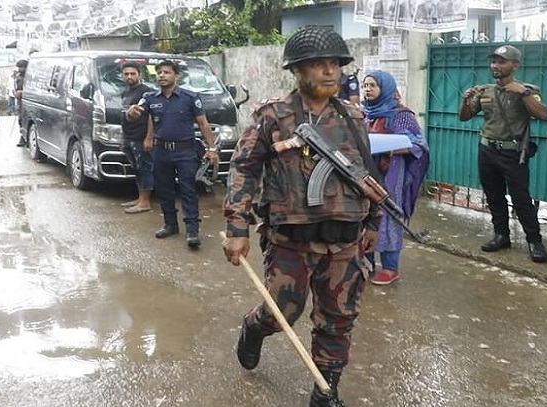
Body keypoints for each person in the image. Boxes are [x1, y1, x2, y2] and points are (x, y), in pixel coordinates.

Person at [222, 27, 381, 407]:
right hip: (291, 239)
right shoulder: (274, 115)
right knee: (283, 313)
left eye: (334, 65)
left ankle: (326, 389)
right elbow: (244, 168)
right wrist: (237, 227)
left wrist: (373, 221)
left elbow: (367, 173)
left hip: (344, 237)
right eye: (318, 65)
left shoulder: (354, 117)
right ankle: (254, 328)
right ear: (297, 70)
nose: (329, 72)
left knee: (338, 317)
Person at [459, 45, 547, 263]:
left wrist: (524, 93)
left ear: (515, 65)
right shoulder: (484, 91)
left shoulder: (529, 89)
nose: (496, 66)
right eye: (494, 61)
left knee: (521, 199)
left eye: (502, 62)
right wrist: (465, 100)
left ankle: (534, 241)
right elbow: (464, 117)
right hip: (487, 150)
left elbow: (543, 114)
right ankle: (501, 235)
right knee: (493, 195)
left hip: (513, 153)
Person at [126, 60, 217, 248]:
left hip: (185, 151)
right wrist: (131, 114)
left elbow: (203, 123)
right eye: (159, 72)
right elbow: (140, 115)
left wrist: (212, 149)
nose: (162, 75)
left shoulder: (190, 97)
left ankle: (192, 230)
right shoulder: (150, 98)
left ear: (176, 75)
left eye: (166, 72)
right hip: (161, 152)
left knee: (188, 190)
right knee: (164, 190)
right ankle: (170, 225)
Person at [362, 70, 430, 285]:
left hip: (390, 174)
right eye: (365, 85)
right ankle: (366, 261)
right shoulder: (363, 113)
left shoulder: (401, 115)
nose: (368, 89)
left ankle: (391, 268)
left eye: (373, 85)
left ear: (386, 88)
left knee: (388, 215)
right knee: (364, 215)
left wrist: (390, 148)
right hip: (365, 174)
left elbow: (419, 144)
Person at [119, 61, 154, 214]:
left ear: (140, 74)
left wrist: (149, 138)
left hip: (141, 137)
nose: (130, 77)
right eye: (126, 74)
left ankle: (145, 202)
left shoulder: (147, 93)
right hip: (129, 137)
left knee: (145, 168)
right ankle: (140, 198)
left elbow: (152, 117)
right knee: (137, 169)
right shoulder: (125, 93)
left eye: (133, 73)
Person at [14, 59, 28, 147]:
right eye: (19, 67)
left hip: (27, 101)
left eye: (21, 67)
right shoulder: (18, 77)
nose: (20, 69)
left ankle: (26, 138)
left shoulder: (29, 77)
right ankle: (23, 137)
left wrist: (22, 92)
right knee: (20, 120)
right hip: (20, 101)